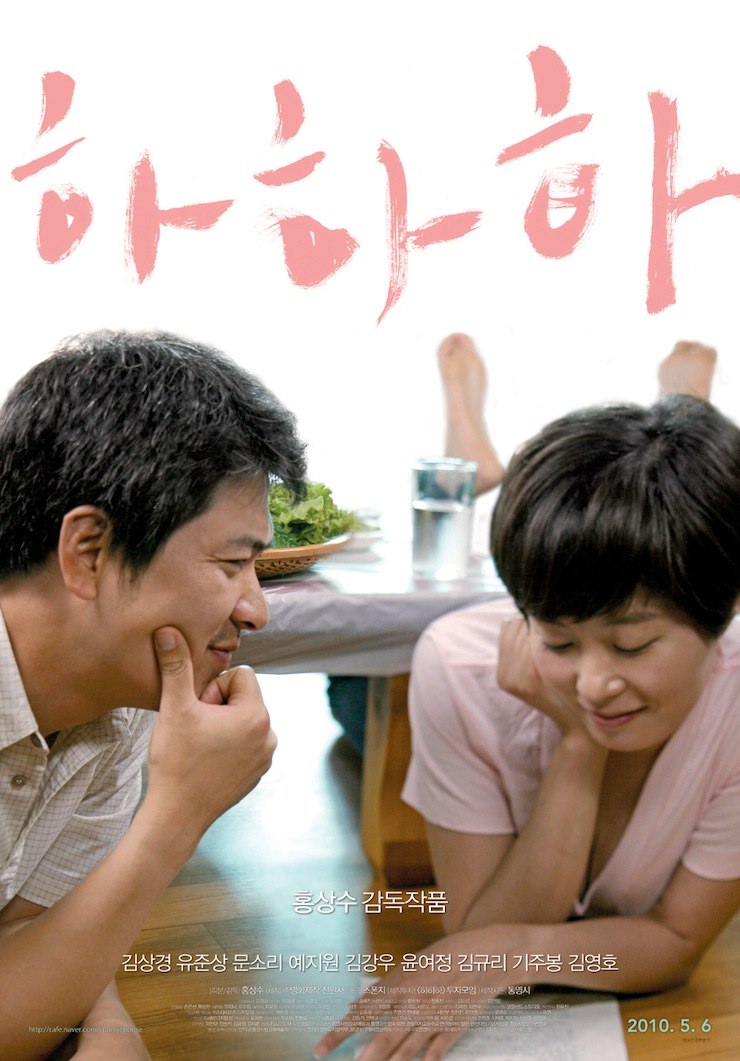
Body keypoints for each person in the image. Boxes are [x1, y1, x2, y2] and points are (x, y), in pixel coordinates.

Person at [315, 346, 739, 1060]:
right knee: (359, 706)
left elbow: (674, 941)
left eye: (632, 645)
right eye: (560, 640)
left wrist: (512, 949)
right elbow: (472, 931)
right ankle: (471, 441)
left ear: (722, 616)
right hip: (428, 692)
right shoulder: (461, 663)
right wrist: (578, 745)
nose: (593, 684)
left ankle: (686, 402)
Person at [0, 329, 306, 1060]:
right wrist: (178, 812)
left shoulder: (120, 703)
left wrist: (107, 1021)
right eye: (231, 563)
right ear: (90, 552)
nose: (256, 610)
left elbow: (27, 930)